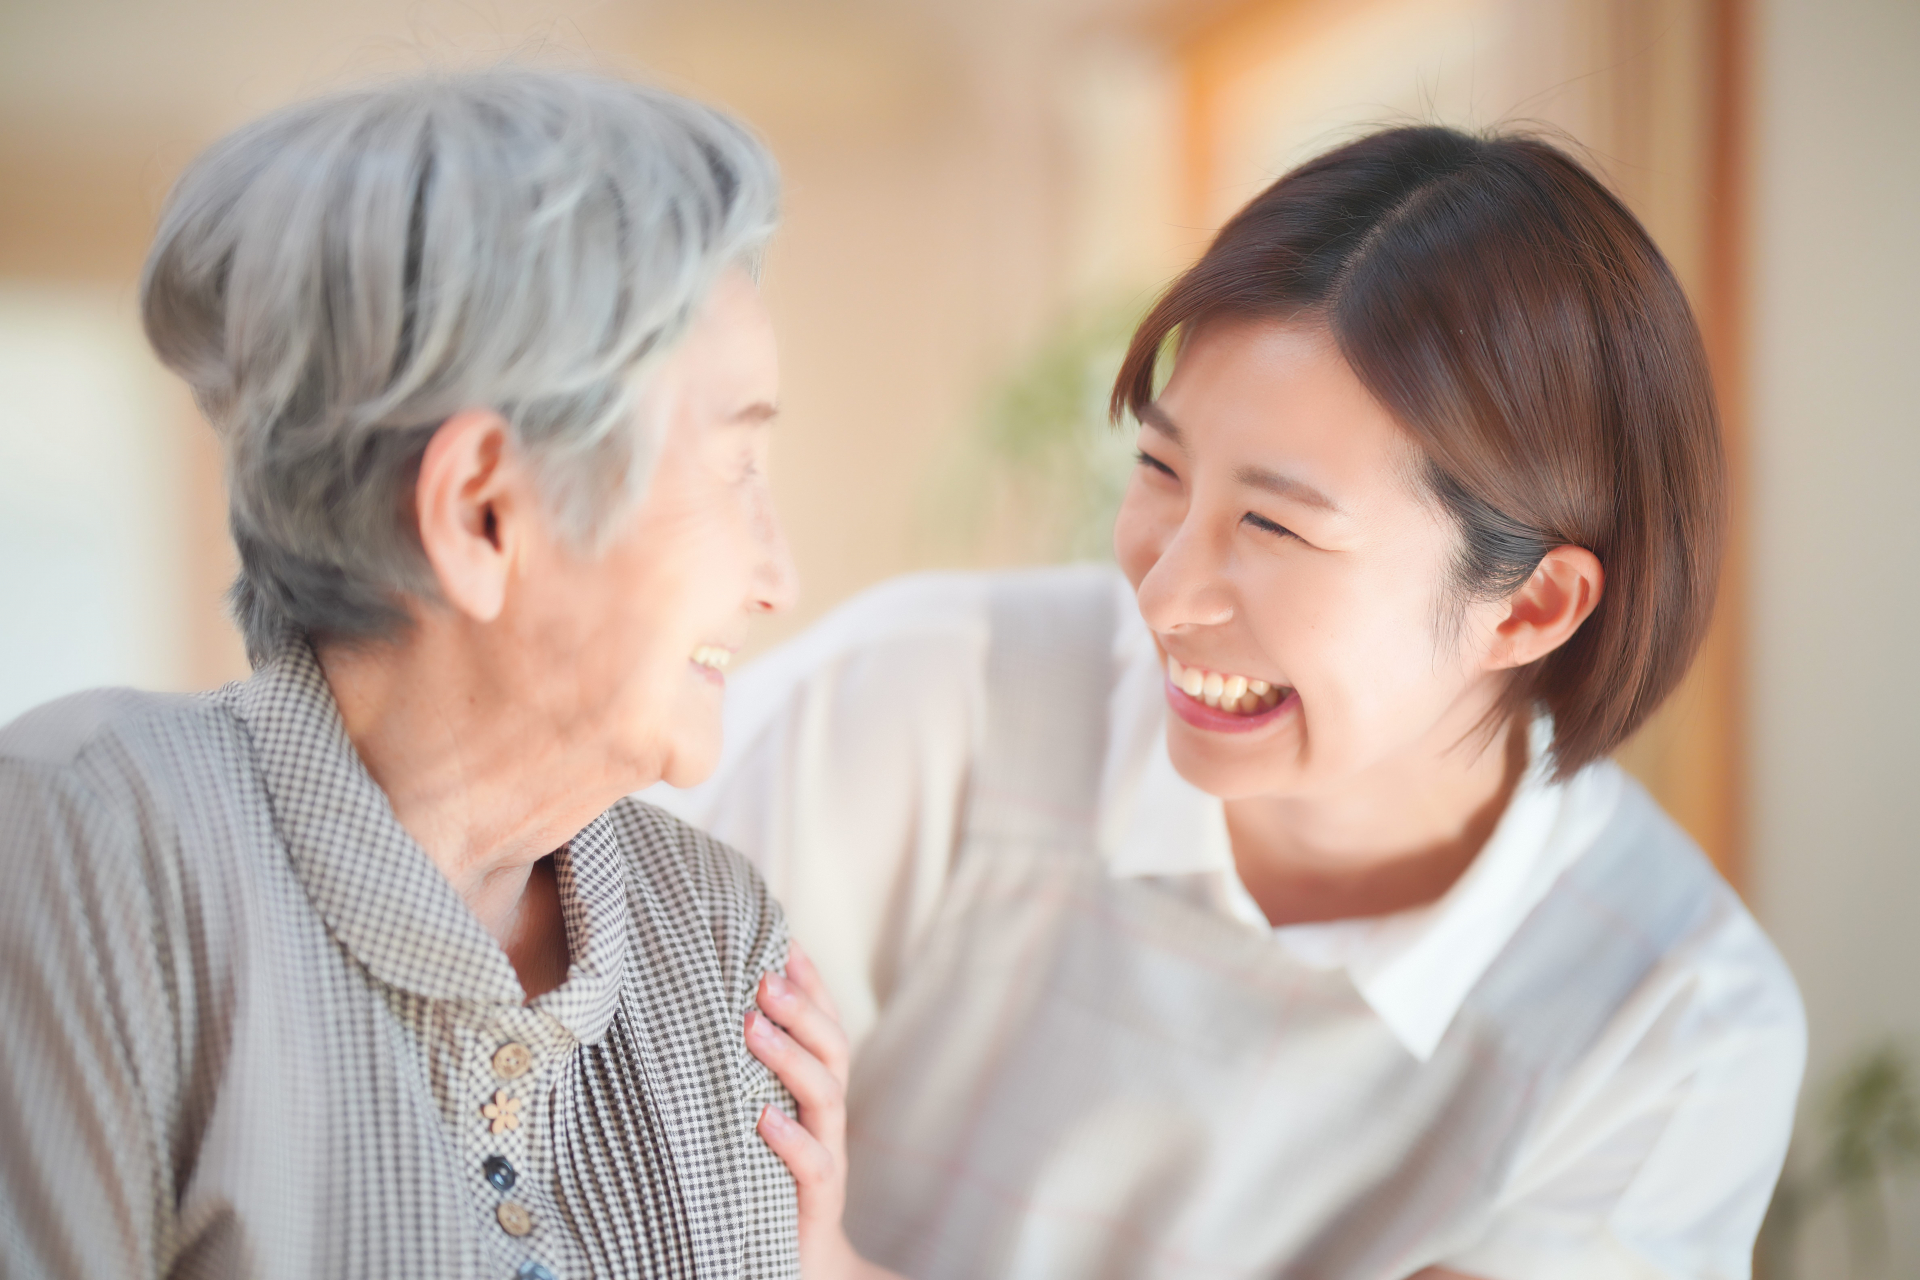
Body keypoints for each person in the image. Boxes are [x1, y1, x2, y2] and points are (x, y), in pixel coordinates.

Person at [656, 126, 1808, 1279]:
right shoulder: (926, 694)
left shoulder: (1675, 1025)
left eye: (1274, 526)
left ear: (1529, 608)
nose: (1164, 597)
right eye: (1159, 471)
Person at [0, 67, 846, 1280]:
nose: (779, 574)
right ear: (480, 512)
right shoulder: (81, 844)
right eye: (733, 468)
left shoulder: (716, 932)